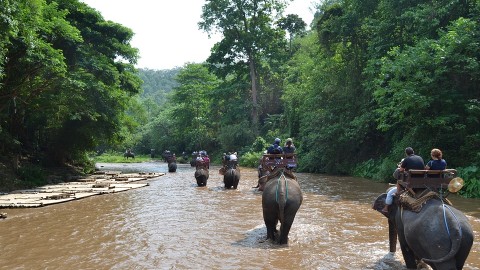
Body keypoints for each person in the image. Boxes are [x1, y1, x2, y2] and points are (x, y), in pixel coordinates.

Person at [382, 147, 425, 214]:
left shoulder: (406, 159)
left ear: (406, 153)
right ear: (413, 151)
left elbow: (401, 170)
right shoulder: (420, 158)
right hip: (421, 180)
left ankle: (386, 208)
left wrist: (400, 168)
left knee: (393, 188)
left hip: (410, 181)